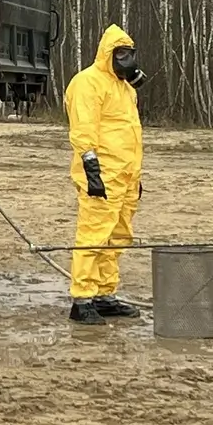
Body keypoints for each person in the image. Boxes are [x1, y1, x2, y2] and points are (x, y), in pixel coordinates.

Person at [64, 24, 144, 325]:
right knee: (93, 234)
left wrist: (136, 175)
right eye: (120, 53)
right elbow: (83, 130)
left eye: (129, 54)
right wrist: (91, 170)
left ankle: (104, 294)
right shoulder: (87, 83)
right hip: (102, 175)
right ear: (107, 53)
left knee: (118, 236)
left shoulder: (125, 89)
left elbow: (129, 132)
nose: (126, 60)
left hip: (126, 176)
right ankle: (82, 298)